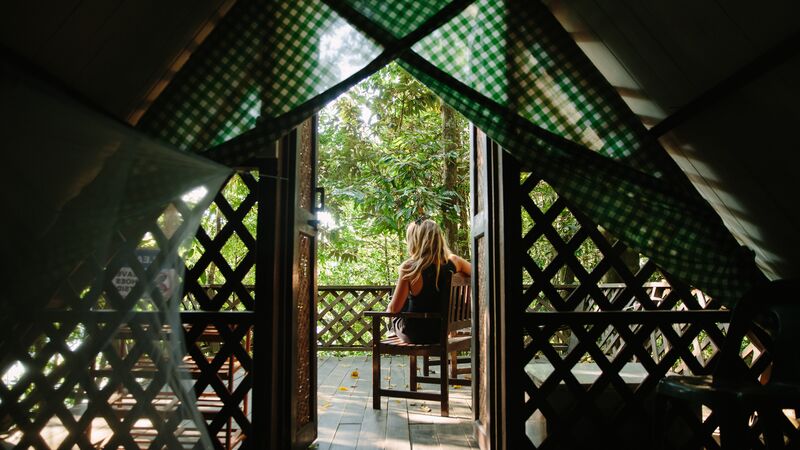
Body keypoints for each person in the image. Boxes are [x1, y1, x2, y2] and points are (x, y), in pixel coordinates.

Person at [386, 218, 471, 343]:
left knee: (395, 304)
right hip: (441, 332)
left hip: (414, 333)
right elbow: (480, 273)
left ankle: (392, 330)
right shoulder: (455, 262)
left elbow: (394, 310)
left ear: (415, 241)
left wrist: (389, 308)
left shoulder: (410, 267)